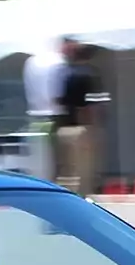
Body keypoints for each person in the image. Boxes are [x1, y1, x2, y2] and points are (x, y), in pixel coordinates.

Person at [54, 39, 102, 197]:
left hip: (64, 126)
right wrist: (92, 125)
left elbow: (58, 99)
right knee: (84, 170)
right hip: (82, 127)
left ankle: (66, 197)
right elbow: (90, 105)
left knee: (67, 169)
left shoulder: (64, 73)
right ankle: (82, 198)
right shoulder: (89, 74)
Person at [23, 41, 66, 181]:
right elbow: (57, 94)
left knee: (40, 160)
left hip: (35, 117)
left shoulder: (31, 62)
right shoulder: (59, 61)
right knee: (57, 160)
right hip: (55, 117)